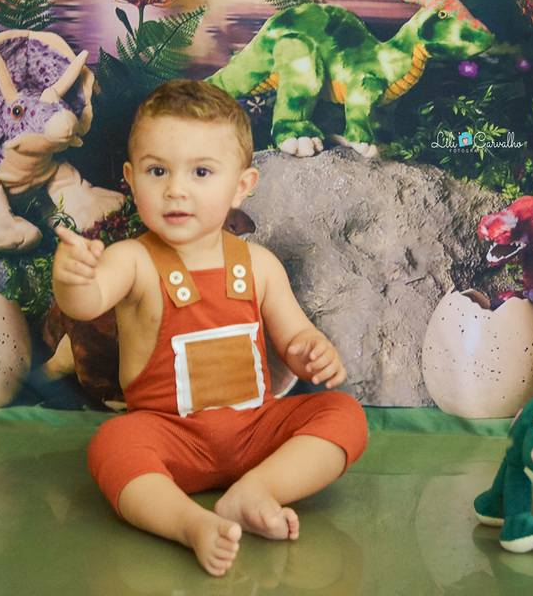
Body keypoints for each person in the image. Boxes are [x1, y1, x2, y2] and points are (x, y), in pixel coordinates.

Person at [52, 79, 368, 577]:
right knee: (112, 443)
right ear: (131, 180)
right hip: (169, 438)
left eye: (201, 171)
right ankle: (188, 524)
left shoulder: (259, 265)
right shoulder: (132, 259)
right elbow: (87, 302)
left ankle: (258, 490)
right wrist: (72, 279)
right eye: (158, 171)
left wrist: (313, 350)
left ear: (242, 185)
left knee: (344, 413)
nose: (176, 189)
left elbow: (295, 339)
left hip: (257, 434)